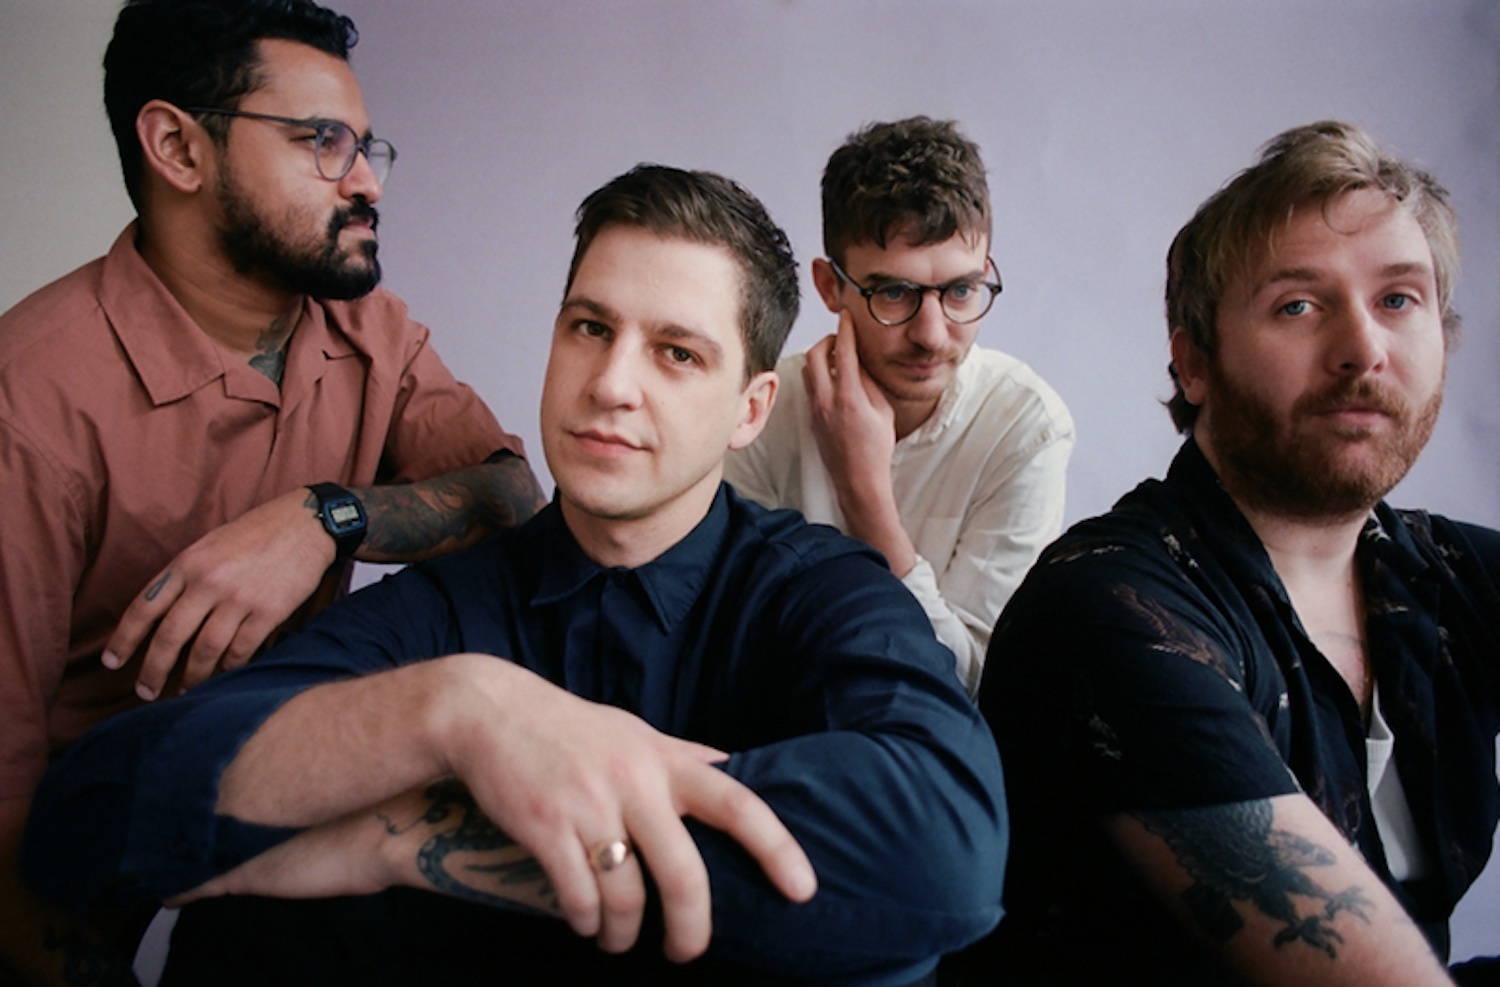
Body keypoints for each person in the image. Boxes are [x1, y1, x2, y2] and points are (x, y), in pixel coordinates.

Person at [21, 164, 1008, 986]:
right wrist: (457, 710)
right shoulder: (443, 614)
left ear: (749, 409)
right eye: (590, 328)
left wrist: (401, 838)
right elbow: (88, 818)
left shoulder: (820, 589)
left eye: (676, 353)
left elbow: (947, 857)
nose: (611, 384)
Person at [0, 1, 546, 982]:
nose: (367, 181)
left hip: (273, 823)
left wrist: (326, 519)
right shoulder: (28, 401)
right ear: (177, 147)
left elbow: (512, 499)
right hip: (68, 858)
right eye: (321, 142)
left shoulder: (371, 331)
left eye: (366, 146)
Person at [955, 121, 1500, 985]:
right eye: (1298, 306)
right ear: (1194, 363)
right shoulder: (1104, 608)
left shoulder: (1455, 576)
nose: (1364, 349)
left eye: (1399, 300)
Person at [724, 116, 1074, 695]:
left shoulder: (1025, 426)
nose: (932, 335)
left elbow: (979, 681)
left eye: (960, 291)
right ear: (830, 286)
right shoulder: (759, 413)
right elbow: (732, 649)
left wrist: (865, 494)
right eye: (893, 292)